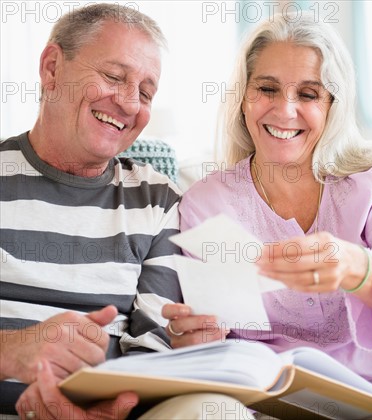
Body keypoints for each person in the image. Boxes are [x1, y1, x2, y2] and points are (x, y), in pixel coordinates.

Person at [163, 12, 372, 415]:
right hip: (265, 405)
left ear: (333, 106)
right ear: (243, 98)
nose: (285, 110)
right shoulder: (206, 201)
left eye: (308, 94)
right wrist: (195, 340)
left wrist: (356, 268)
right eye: (267, 89)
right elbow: (214, 338)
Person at [0, 4, 252, 419]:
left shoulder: (158, 200)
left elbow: (153, 346)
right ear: (51, 69)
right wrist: (10, 351)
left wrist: (114, 406)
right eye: (113, 77)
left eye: (146, 92)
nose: (129, 103)